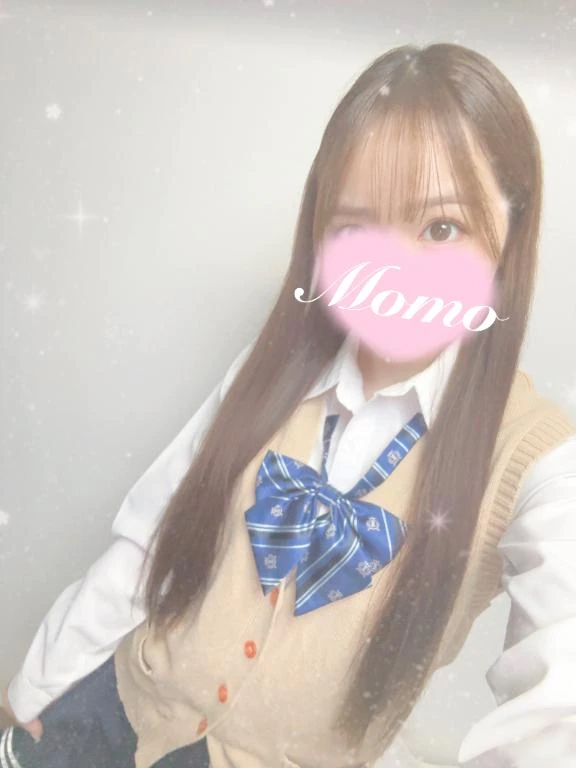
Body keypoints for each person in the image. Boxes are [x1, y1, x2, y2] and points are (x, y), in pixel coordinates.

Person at [2, 42, 576, 768]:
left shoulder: (537, 462)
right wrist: (34, 688)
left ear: (511, 232)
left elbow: (558, 709)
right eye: (356, 228)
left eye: (440, 227)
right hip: (109, 709)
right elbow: (152, 540)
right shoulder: (270, 369)